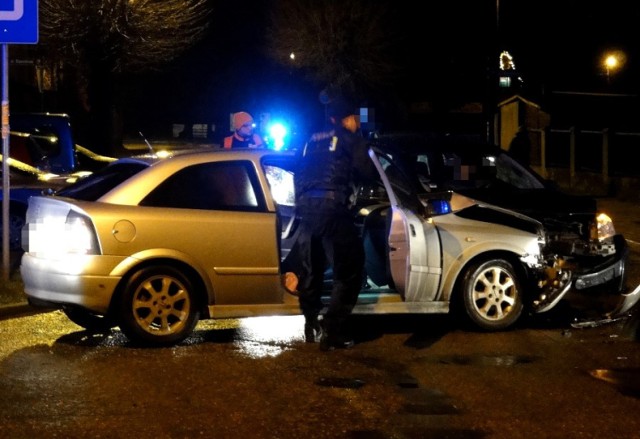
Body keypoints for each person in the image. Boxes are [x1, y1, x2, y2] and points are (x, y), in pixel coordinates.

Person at [294, 98, 378, 351]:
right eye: (355, 118)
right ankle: (333, 330)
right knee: (349, 271)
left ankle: (311, 324)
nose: (357, 122)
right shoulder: (350, 138)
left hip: (306, 210)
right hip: (333, 210)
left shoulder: (310, 140)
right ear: (349, 119)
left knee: (312, 269)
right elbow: (370, 172)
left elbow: (297, 170)